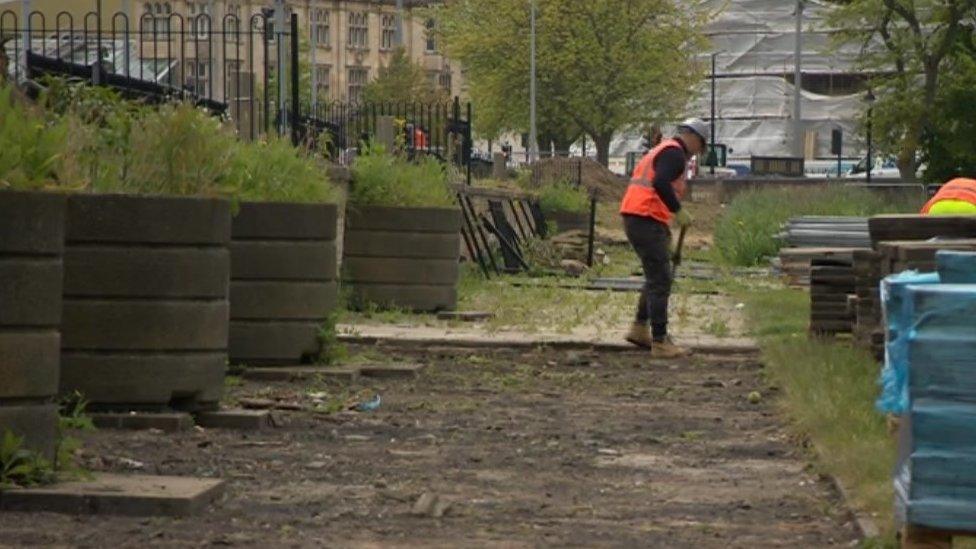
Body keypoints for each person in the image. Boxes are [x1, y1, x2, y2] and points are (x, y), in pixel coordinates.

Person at [619, 118, 708, 358]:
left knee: (655, 276)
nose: (698, 153)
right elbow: (659, 182)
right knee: (661, 280)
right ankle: (660, 341)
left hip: (639, 216)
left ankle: (639, 328)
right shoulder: (675, 154)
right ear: (694, 138)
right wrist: (678, 209)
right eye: (701, 146)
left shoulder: (665, 149)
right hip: (645, 216)